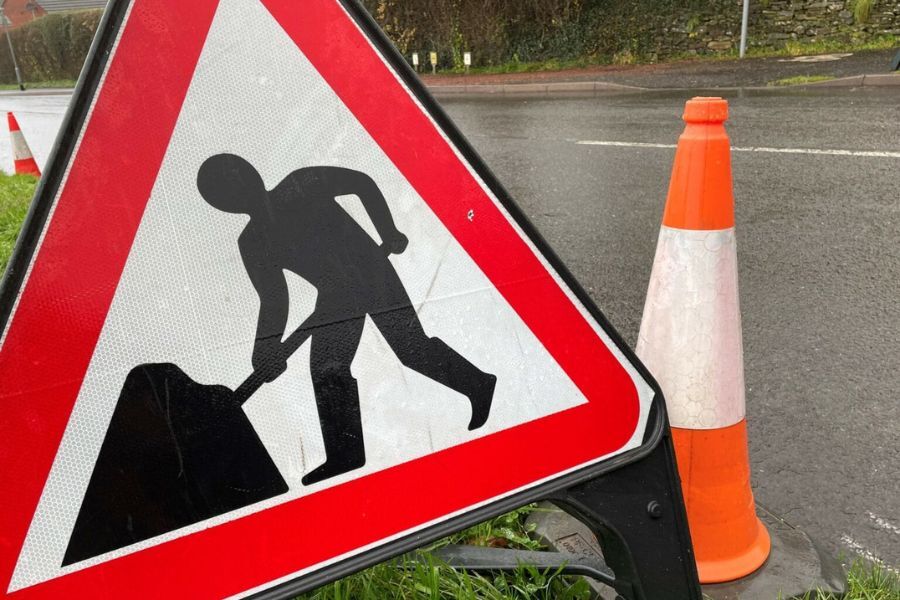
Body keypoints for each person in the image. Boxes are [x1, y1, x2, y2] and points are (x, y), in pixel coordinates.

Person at [197, 154, 496, 486]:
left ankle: (479, 385)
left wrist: (388, 229)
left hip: (371, 273)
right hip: (335, 298)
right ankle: (345, 454)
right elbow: (274, 299)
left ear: (252, 173)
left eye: (237, 179)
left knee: (411, 350)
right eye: (225, 191)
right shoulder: (253, 241)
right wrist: (265, 349)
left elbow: (361, 183)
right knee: (328, 368)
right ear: (222, 205)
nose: (237, 190)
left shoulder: (302, 183)